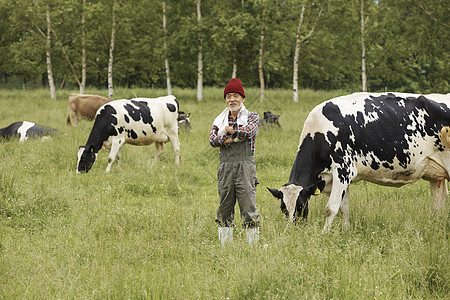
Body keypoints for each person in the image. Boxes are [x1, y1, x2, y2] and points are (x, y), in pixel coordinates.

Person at [209, 78, 260, 246]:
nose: (232, 99)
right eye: (228, 96)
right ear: (225, 99)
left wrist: (230, 132)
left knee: (248, 207)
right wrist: (229, 139)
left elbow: (249, 131)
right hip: (225, 168)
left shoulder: (252, 117)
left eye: (236, 96)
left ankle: (253, 248)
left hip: (245, 167)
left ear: (242, 98)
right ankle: (226, 248)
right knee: (224, 206)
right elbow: (212, 139)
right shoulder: (219, 120)